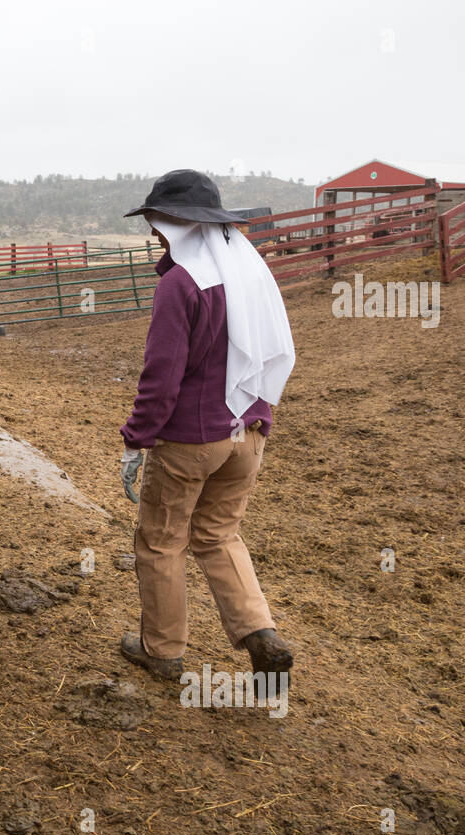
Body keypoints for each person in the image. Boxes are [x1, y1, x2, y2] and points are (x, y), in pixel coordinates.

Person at [117, 169, 296, 681]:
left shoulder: (181, 284)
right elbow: (270, 353)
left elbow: (162, 373)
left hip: (192, 439)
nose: (153, 230)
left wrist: (137, 437)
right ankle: (260, 633)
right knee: (219, 535)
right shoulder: (249, 276)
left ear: (177, 223)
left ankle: (163, 652)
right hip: (248, 434)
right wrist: (259, 417)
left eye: (157, 220)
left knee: (161, 540)